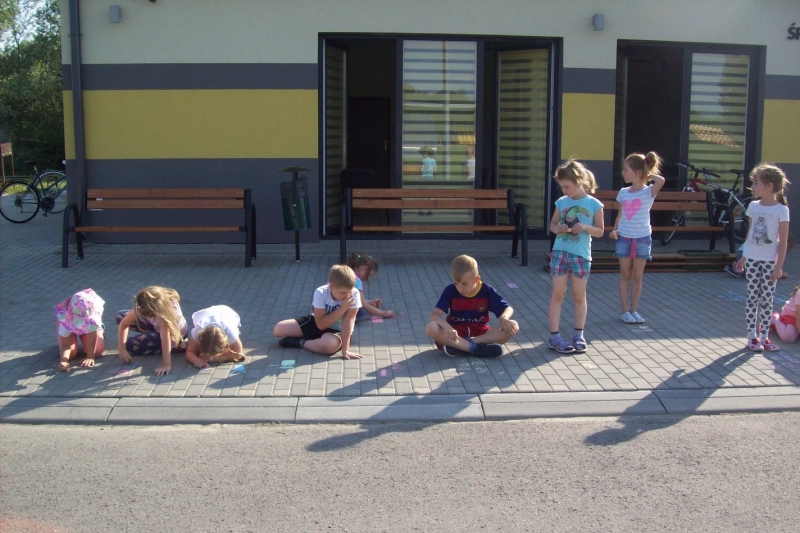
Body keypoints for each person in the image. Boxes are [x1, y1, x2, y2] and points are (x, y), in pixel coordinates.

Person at [547, 159, 604, 354]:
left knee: (579, 296)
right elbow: (552, 225)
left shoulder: (594, 204)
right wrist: (559, 228)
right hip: (560, 253)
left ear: (579, 182)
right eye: (562, 187)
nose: (564, 191)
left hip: (581, 256)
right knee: (558, 294)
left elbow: (600, 231)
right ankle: (554, 336)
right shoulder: (562, 202)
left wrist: (586, 227)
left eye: (567, 187)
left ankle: (579, 334)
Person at [733, 163, 791, 352]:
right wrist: (743, 256)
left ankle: (764, 336)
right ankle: (752, 336)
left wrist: (778, 267)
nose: (752, 187)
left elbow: (782, 241)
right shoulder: (753, 206)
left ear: (769, 186)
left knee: (766, 299)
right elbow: (750, 234)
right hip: (752, 259)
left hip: (769, 261)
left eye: (756, 183)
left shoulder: (781, 210)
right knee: (752, 297)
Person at [609, 152, 666, 324]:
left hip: (642, 238)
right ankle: (624, 310)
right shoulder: (623, 192)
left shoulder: (649, 191)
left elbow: (661, 180)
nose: (623, 173)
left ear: (636, 172)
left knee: (637, 276)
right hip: (624, 238)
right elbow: (620, 215)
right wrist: (615, 230)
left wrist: (648, 174)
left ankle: (634, 310)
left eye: (626, 169)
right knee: (625, 274)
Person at [425, 254, 519, 357]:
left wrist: (504, 318)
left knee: (513, 325)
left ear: (476, 279)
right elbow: (434, 315)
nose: (460, 288)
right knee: (431, 327)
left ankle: (460, 346)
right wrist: (447, 327)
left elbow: (508, 308)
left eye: (464, 284)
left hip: (480, 334)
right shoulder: (450, 290)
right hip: (455, 334)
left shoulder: (486, 290)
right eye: (456, 283)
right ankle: (475, 349)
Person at [273, 264, 363, 359]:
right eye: (343, 292)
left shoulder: (354, 294)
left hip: (338, 330)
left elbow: (347, 323)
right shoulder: (320, 292)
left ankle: (301, 342)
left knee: (330, 345)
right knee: (278, 329)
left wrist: (345, 350)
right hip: (318, 323)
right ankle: (315, 340)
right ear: (331, 287)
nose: (348, 295)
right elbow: (320, 325)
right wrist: (342, 309)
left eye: (349, 291)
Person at [116, 286, 189, 376]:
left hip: (174, 335)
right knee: (120, 316)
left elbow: (165, 338)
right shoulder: (143, 303)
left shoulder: (165, 314)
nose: (147, 317)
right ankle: (152, 336)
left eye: (150, 315)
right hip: (157, 327)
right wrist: (121, 349)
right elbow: (124, 324)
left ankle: (179, 346)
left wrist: (166, 365)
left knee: (131, 345)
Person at [55, 288, 106, 372]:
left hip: (87, 323)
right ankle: (66, 332)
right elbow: (65, 346)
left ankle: (100, 329)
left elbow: (91, 333)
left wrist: (90, 356)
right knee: (70, 354)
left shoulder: (90, 317)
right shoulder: (66, 319)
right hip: (70, 323)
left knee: (97, 351)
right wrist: (64, 361)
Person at [346, 253, 395, 323]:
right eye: (369, 275)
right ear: (363, 268)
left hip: (332, 305)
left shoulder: (345, 272)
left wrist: (370, 302)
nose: (368, 278)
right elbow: (362, 304)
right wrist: (383, 313)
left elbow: (355, 299)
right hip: (339, 309)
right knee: (361, 312)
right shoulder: (356, 280)